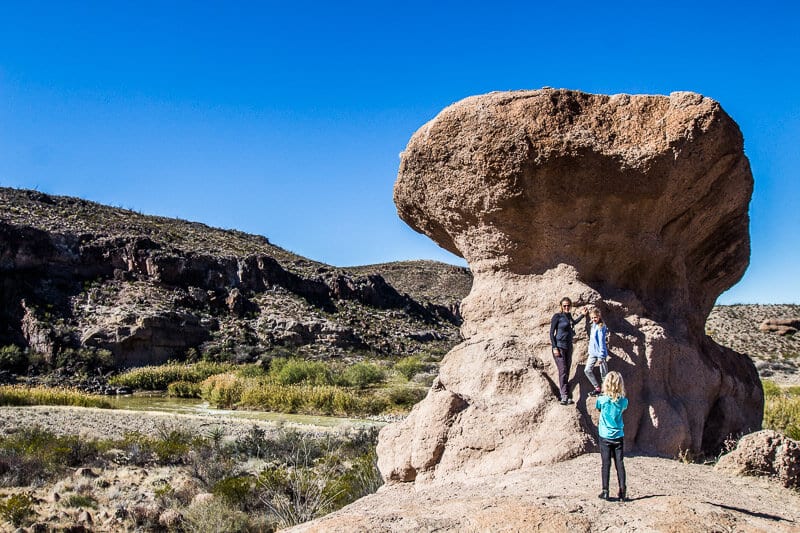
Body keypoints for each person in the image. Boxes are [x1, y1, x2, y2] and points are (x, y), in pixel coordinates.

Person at [596, 371, 628, 501]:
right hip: (618, 435)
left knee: (606, 463)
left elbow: (598, 408)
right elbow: (623, 408)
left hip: (605, 435)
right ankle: (622, 490)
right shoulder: (624, 401)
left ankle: (605, 491)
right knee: (619, 463)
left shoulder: (602, 400)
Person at [549, 297, 586, 405]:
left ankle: (566, 394)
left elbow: (573, 322)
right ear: (561, 306)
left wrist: (582, 315)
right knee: (563, 370)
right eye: (564, 305)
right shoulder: (557, 316)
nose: (566, 307)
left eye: (568, 305)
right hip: (559, 346)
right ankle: (564, 396)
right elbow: (551, 333)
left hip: (568, 347)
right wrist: (554, 347)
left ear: (571, 306)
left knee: (567, 370)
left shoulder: (568, 316)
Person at [584, 308, 609, 397]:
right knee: (587, 370)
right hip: (592, 353)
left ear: (599, 317)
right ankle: (597, 388)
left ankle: (606, 391)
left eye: (595, 317)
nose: (594, 319)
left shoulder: (601, 327)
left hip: (600, 354)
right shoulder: (593, 325)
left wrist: (601, 356)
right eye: (592, 318)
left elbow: (602, 342)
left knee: (604, 374)